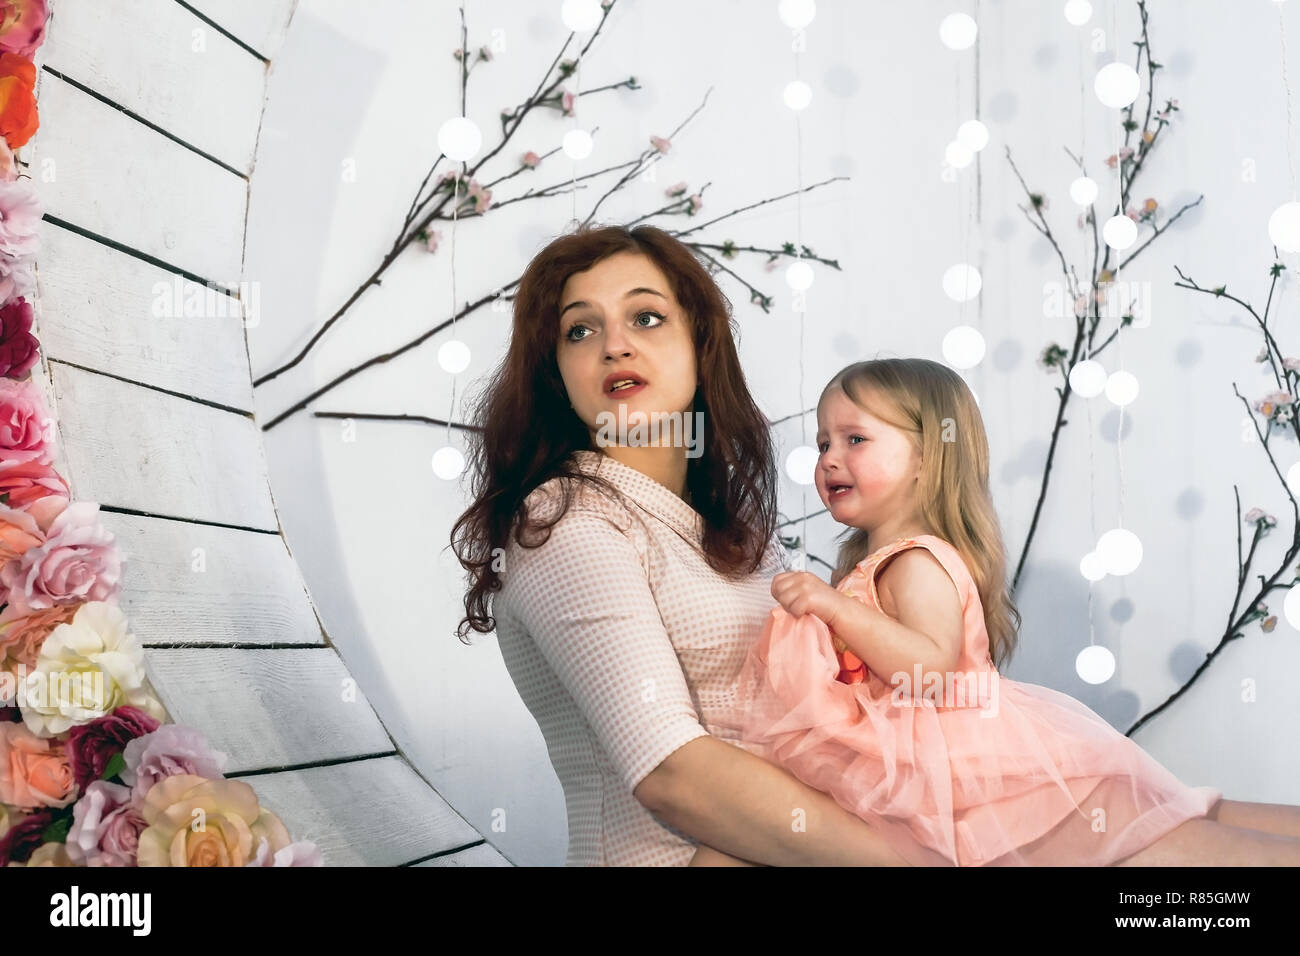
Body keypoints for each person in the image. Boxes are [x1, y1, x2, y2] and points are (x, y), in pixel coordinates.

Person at [690, 357, 1300, 866]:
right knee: (1174, 823)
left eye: (855, 439)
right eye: (824, 441)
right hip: (940, 760)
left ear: (929, 458)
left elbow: (932, 668)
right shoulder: (875, 564)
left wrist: (832, 609)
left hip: (975, 759)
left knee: (1172, 848)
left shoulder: (918, 562)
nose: (827, 457)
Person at [450, 224, 911, 866]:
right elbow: (670, 772)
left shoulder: (734, 528)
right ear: (555, 374)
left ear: (700, 345)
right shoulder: (564, 520)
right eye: (579, 330)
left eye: (646, 317)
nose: (615, 346)